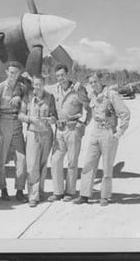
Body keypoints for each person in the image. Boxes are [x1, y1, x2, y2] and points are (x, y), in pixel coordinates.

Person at [74, 73, 130, 206]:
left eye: (95, 82)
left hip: (108, 132)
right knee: (88, 163)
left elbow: (125, 113)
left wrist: (119, 132)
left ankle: (104, 196)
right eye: (91, 82)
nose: (93, 84)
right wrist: (79, 89)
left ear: (101, 81)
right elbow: (85, 100)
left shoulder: (111, 94)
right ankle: (84, 195)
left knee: (107, 166)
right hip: (95, 131)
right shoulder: (92, 95)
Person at [48, 64, 92, 202]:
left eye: (62, 75)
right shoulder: (55, 90)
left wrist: (83, 123)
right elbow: (51, 107)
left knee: (72, 162)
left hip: (73, 129)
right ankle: (57, 191)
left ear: (67, 74)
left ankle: (70, 191)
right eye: (58, 76)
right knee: (55, 160)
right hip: (60, 129)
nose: (60, 78)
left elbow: (88, 107)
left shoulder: (77, 89)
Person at [19, 75, 57, 207]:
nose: (37, 87)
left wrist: (52, 119)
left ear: (44, 84)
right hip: (33, 133)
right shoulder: (28, 97)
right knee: (32, 165)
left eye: (40, 84)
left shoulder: (50, 97)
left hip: (46, 134)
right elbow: (20, 114)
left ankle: (40, 191)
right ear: (33, 85)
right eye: (35, 84)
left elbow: (53, 114)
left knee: (43, 164)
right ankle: (33, 196)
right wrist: (31, 119)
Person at [0, 61, 27, 202]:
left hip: (17, 123)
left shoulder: (22, 87)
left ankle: (19, 190)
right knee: (1, 158)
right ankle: (3, 189)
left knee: (22, 158)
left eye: (16, 73)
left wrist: (20, 97)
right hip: (3, 122)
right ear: (7, 72)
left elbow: (28, 95)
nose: (13, 75)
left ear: (19, 74)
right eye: (11, 72)